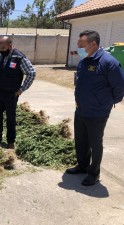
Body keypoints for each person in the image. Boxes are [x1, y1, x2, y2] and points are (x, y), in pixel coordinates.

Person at [66, 30, 124, 186]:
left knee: (95, 143)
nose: (79, 48)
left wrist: (104, 104)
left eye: (81, 45)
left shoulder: (108, 62)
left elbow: (119, 88)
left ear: (93, 44)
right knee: (81, 141)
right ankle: (82, 165)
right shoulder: (83, 61)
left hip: (97, 113)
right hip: (81, 109)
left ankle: (94, 173)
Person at [0, 36, 36, 149]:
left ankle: (11, 142)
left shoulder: (19, 57)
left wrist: (21, 89)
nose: (1, 50)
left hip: (11, 94)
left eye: (4, 47)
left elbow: (31, 73)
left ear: (10, 46)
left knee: (10, 118)